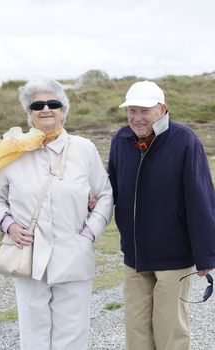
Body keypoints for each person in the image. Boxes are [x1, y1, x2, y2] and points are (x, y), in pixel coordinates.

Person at [0, 79, 113, 350]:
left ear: (64, 110)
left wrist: (89, 234)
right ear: (28, 113)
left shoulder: (84, 149)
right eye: (37, 105)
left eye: (53, 104)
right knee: (33, 336)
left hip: (74, 255)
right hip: (29, 258)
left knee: (73, 336)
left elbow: (104, 195)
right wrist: (8, 225)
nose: (46, 109)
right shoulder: (14, 151)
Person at [108, 80, 215, 350]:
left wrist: (204, 254)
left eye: (145, 110)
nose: (137, 118)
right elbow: (111, 188)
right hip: (135, 255)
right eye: (132, 110)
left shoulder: (184, 140)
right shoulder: (121, 139)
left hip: (173, 256)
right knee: (136, 329)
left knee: (169, 328)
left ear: (163, 109)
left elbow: (200, 199)